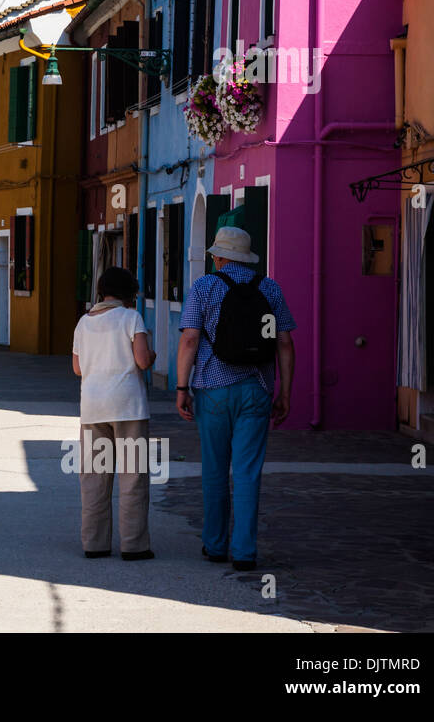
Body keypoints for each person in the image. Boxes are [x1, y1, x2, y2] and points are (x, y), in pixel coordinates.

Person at [175, 226, 296, 571]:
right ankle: (244, 552)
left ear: (220, 257)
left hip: (213, 389)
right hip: (257, 388)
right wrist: (284, 391)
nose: (213, 258)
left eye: (215, 254)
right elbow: (284, 343)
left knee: (214, 469)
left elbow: (189, 340)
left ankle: (215, 545)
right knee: (247, 471)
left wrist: (182, 389)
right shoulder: (270, 288)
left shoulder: (204, 287)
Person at [71, 266, 157, 560]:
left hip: (93, 408)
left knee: (94, 477)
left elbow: (77, 368)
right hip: (128, 407)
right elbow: (143, 361)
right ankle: (134, 545)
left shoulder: (83, 323)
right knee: (132, 477)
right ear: (128, 292)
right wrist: (152, 354)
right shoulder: (132, 318)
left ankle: (94, 543)